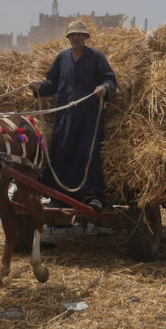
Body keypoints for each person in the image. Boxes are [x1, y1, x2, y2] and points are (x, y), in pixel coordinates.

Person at [28, 20, 117, 210]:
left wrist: (104, 88)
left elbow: (110, 79)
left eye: (79, 35)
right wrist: (39, 87)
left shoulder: (96, 57)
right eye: (72, 35)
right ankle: (57, 194)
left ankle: (92, 195)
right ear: (68, 38)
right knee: (61, 151)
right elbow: (51, 82)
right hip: (65, 115)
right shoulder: (62, 58)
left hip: (89, 115)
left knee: (88, 152)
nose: (76, 38)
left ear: (85, 37)